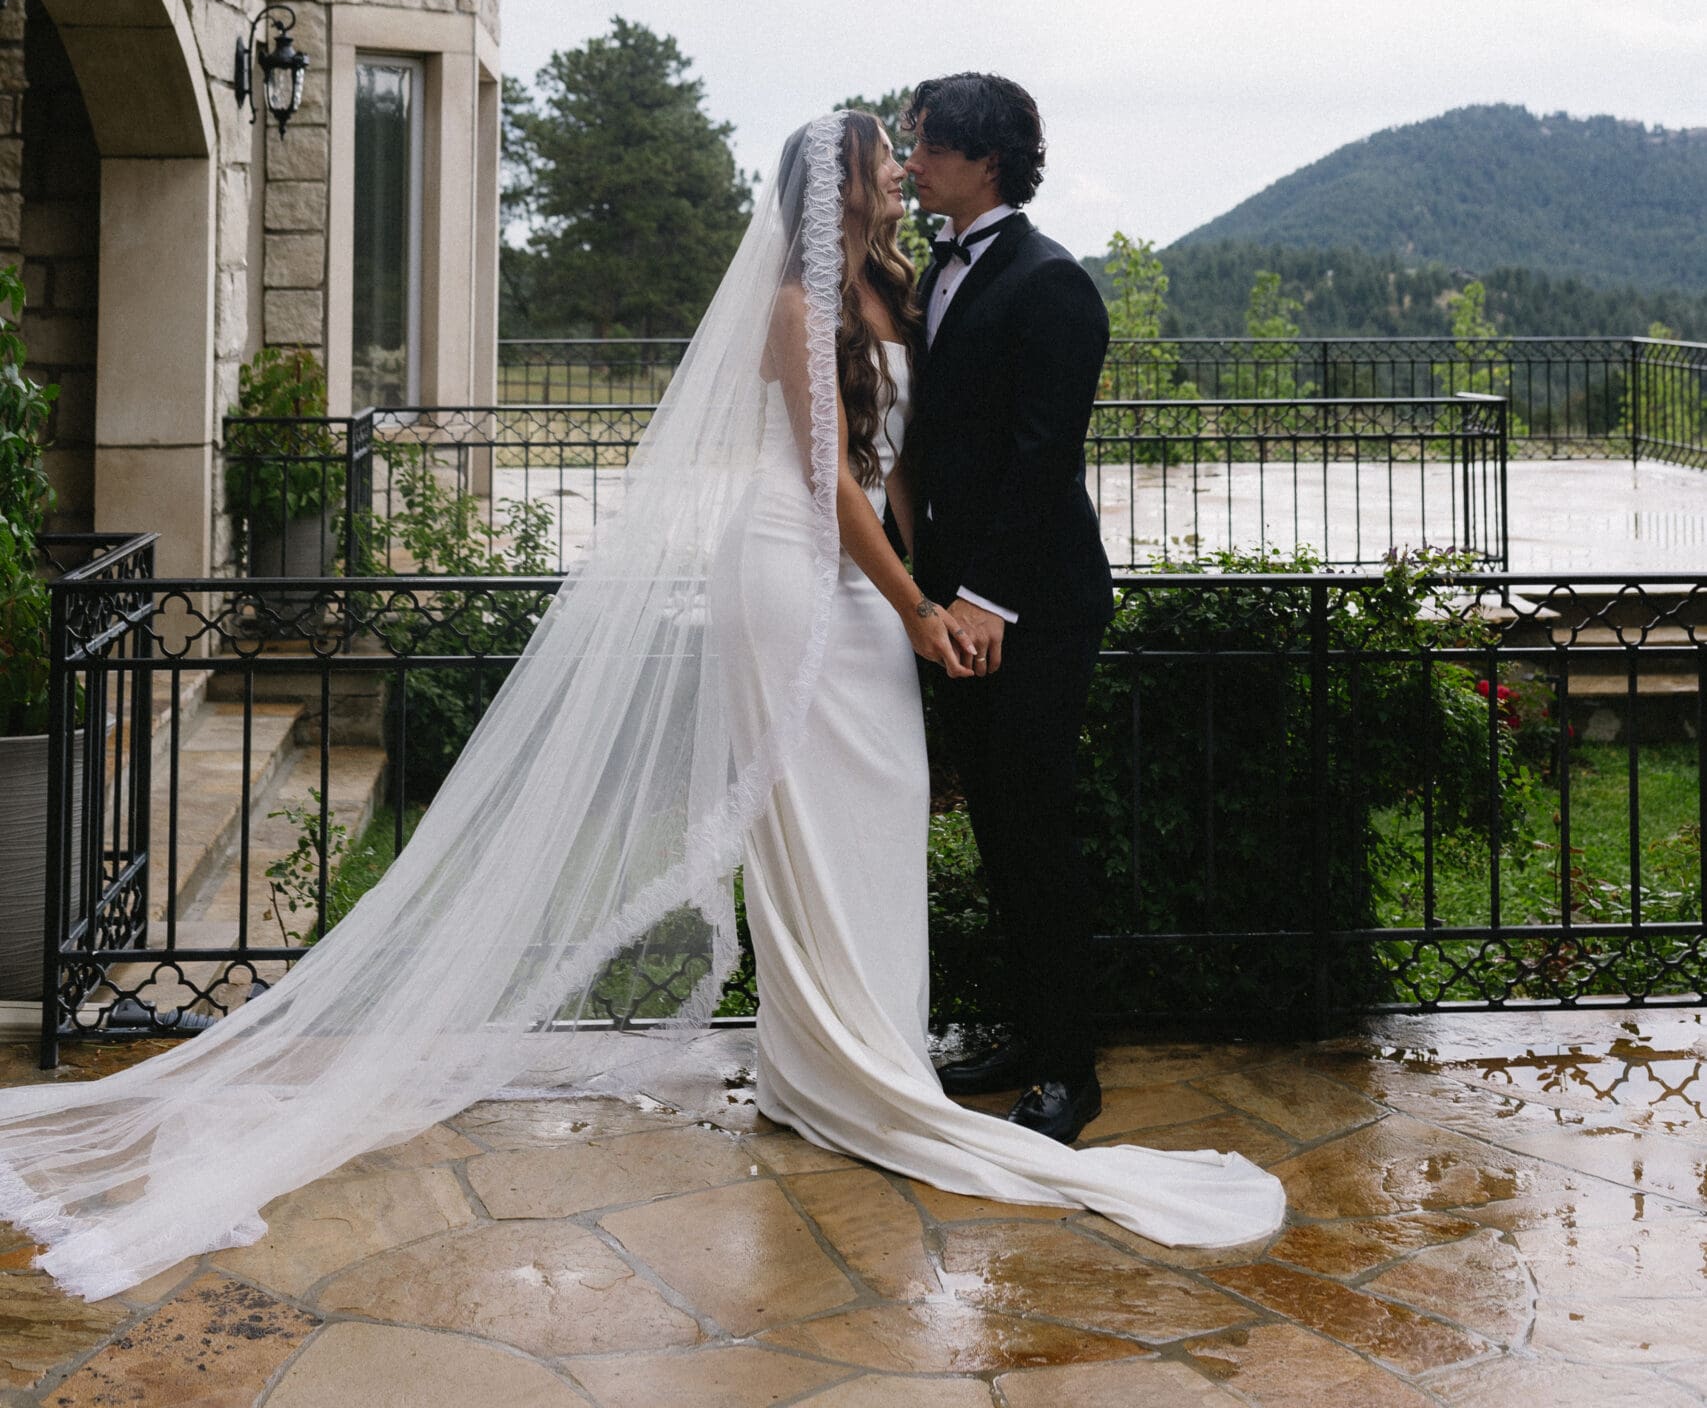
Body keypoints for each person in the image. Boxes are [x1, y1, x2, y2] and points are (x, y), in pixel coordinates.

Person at [0, 111, 1281, 1305]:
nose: (901, 171)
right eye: (885, 159)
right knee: (804, 816)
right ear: (835, 186)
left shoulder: (897, 286)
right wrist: (912, 608)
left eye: (911, 154)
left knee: (880, 805)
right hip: (796, 575)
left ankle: (874, 1044)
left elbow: (912, 470)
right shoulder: (794, 304)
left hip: (880, 590)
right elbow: (831, 478)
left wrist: (936, 594)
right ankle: (825, 1067)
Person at [903, 73, 1113, 1143]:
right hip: (959, 607)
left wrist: (982, 599)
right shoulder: (933, 273)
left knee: (1036, 831)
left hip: (1034, 609)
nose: (909, 161)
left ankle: (1071, 1072)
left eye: (926, 145)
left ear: (983, 158)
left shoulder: (1053, 284)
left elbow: (1042, 462)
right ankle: (1030, 1035)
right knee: (994, 827)